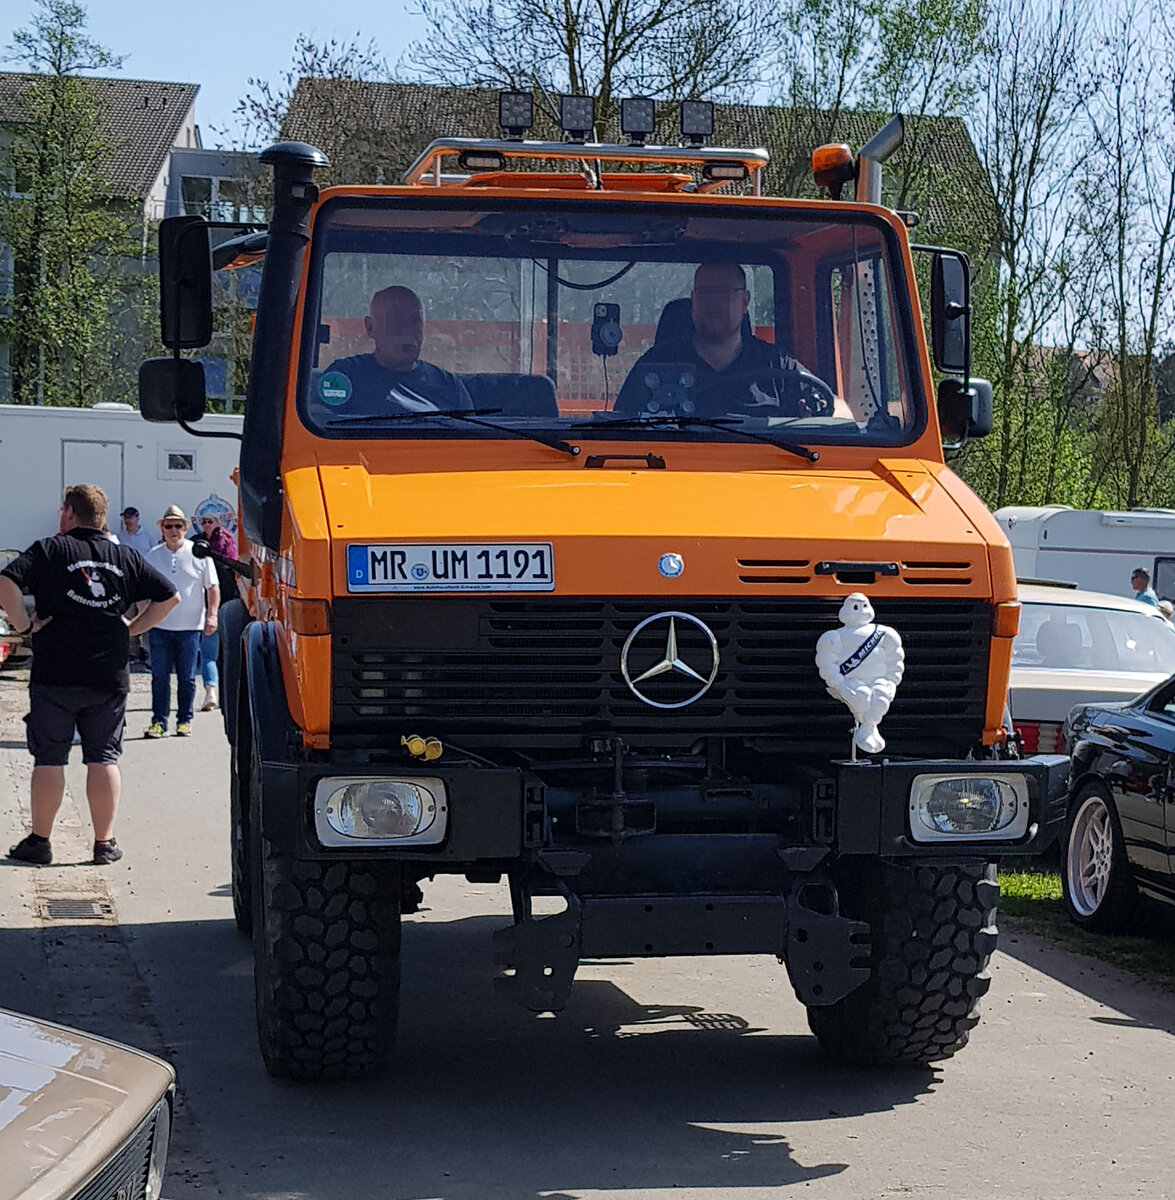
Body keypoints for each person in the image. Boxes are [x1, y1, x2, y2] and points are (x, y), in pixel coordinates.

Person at [0, 484, 179, 867]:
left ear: (68, 512)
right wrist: (131, 629)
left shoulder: (50, 549)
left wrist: (23, 626)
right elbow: (170, 597)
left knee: (49, 757)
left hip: (55, 674)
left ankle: (41, 842)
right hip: (108, 675)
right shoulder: (123, 555)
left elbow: (6, 583)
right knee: (103, 757)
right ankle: (104, 843)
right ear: (103, 517)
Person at [614, 262, 829, 418]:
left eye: (724, 293)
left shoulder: (776, 365)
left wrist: (816, 412)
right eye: (706, 292)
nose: (714, 303)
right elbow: (616, 428)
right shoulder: (655, 364)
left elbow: (836, 407)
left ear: (745, 301)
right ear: (693, 300)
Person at [318, 286, 473, 413]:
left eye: (415, 321)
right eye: (396, 320)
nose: (407, 330)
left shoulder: (450, 387)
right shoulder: (344, 376)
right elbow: (319, 425)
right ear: (371, 328)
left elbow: (469, 443)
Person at [143, 505, 219, 738]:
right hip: (159, 627)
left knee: (187, 678)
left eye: (178, 526)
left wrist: (212, 615)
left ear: (185, 529)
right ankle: (159, 721)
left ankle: (184, 720)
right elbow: (143, 589)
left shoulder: (199, 554)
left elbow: (212, 587)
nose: (173, 530)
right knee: (159, 677)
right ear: (162, 530)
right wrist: (143, 616)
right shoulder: (153, 555)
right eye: (169, 526)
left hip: (189, 627)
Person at [191, 513, 238, 711]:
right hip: (200, 596)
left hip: (224, 595)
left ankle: (216, 691)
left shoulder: (226, 540)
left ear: (217, 523)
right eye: (204, 522)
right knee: (206, 649)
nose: (207, 525)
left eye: (210, 522)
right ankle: (211, 691)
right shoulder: (196, 542)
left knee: (218, 648)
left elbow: (230, 563)